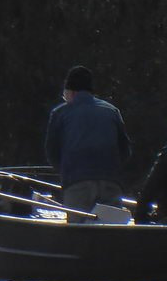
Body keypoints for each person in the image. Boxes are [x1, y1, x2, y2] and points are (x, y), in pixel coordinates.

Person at [45, 65, 131, 221]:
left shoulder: (60, 113)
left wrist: (66, 171)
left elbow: (51, 151)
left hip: (77, 183)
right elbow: (125, 150)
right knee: (111, 233)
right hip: (111, 182)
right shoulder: (112, 111)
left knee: (78, 236)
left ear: (71, 91)